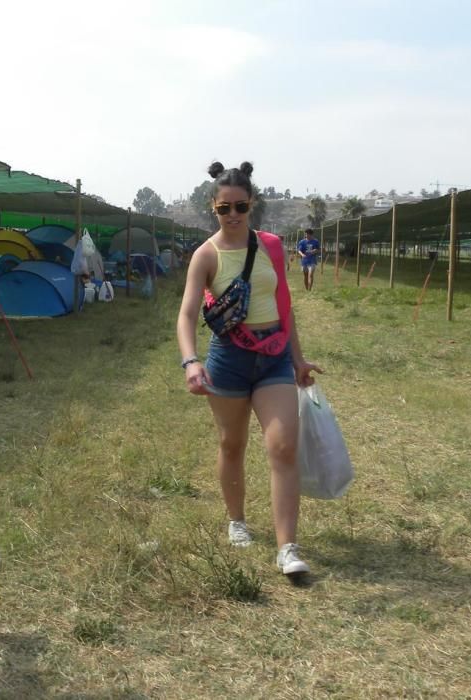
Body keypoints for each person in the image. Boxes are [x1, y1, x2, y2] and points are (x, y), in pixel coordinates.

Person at [176, 161, 323, 580]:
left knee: (282, 446)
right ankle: (236, 520)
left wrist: (297, 358)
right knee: (231, 444)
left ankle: (287, 547)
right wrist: (191, 361)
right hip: (230, 360)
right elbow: (186, 315)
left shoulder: (272, 247)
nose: (233, 215)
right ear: (214, 208)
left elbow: (284, 307)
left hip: (274, 356)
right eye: (225, 209)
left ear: (252, 204)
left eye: (240, 207)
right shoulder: (205, 255)